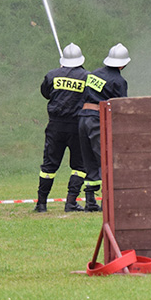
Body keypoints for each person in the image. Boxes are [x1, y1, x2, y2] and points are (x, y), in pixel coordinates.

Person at [35, 43, 89, 213]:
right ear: (80, 60)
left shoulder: (52, 75)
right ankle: (71, 202)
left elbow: (45, 93)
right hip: (77, 127)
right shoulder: (87, 77)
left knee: (49, 166)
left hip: (55, 127)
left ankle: (41, 204)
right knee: (79, 166)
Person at [78, 43, 130, 212]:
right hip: (97, 121)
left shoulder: (93, 74)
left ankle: (90, 201)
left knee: (89, 161)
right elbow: (121, 107)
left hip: (83, 119)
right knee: (106, 159)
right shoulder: (119, 81)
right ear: (123, 64)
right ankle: (109, 202)